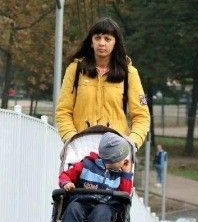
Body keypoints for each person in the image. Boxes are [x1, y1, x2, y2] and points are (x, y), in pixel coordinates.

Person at [54, 17, 150, 150]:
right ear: (91, 42)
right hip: (80, 148)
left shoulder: (129, 73)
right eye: (97, 38)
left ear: (115, 43)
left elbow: (141, 116)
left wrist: (131, 143)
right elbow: (63, 111)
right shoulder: (75, 70)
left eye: (107, 39)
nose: (102, 43)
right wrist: (72, 139)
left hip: (116, 151)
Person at [59, 131, 133, 222]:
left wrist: (126, 173)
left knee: (102, 211)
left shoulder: (120, 176)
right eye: (122, 160)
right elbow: (66, 175)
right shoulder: (86, 165)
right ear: (112, 159)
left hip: (105, 206)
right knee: (73, 208)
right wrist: (66, 183)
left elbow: (125, 193)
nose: (125, 162)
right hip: (81, 201)